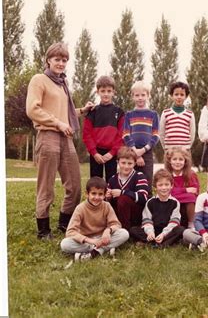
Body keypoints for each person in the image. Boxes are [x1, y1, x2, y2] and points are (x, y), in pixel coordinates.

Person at [26, 42, 94, 239]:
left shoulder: (62, 83)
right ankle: (43, 230)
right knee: (46, 186)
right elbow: (33, 109)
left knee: (74, 185)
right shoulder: (39, 80)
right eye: (57, 59)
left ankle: (65, 224)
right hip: (48, 136)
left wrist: (82, 111)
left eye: (64, 60)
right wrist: (57, 123)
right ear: (48, 60)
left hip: (66, 137)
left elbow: (65, 113)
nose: (61, 63)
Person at [60, 177, 129, 261]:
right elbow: (70, 232)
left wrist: (108, 231)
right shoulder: (80, 208)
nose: (97, 197)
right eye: (93, 193)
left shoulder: (106, 206)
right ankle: (102, 249)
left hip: (103, 238)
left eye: (100, 194)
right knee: (65, 244)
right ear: (87, 194)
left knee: (124, 233)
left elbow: (116, 224)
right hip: (87, 240)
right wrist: (89, 240)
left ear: (104, 195)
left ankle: (95, 251)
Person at [83, 75, 124, 182]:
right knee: (96, 182)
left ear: (114, 92)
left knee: (112, 182)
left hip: (112, 153)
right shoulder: (92, 112)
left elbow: (121, 135)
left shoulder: (119, 112)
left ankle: (110, 199)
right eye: (103, 91)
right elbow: (86, 134)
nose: (106, 94)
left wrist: (112, 153)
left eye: (109, 91)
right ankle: (96, 199)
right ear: (98, 92)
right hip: (96, 153)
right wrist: (94, 153)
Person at [129, 169, 185, 248]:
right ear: (155, 186)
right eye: (160, 185)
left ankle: (156, 244)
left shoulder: (175, 203)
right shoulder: (150, 202)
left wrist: (163, 234)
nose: (164, 188)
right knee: (133, 230)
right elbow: (147, 220)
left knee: (180, 229)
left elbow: (174, 223)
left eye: (166, 184)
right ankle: (160, 243)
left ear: (171, 185)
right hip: (153, 230)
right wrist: (150, 233)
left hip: (167, 231)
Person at [122, 80, 159, 191]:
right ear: (132, 97)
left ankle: (147, 205)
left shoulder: (153, 114)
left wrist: (143, 150)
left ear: (148, 96)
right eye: (137, 95)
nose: (140, 98)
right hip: (132, 153)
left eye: (143, 95)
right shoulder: (129, 115)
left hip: (147, 153)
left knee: (147, 182)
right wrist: (136, 153)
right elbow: (125, 135)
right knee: (131, 181)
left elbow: (156, 135)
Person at [106, 147, 149, 230]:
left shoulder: (139, 176)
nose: (126, 166)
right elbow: (108, 200)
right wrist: (107, 197)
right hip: (118, 214)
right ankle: (112, 226)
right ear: (118, 162)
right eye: (123, 163)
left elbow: (143, 198)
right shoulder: (113, 179)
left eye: (129, 163)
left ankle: (126, 230)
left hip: (135, 214)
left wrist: (122, 192)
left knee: (123, 199)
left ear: (135, 163)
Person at [164, 147, 200, 229]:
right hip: (170, 204)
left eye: (180, 159)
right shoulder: (166, 175)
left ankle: (191, 224)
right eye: (174, 159)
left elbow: (195, 191)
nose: (177, 162)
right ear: (170, 161)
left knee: (191, 197)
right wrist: (185, 190)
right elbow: (166, 192)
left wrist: (176, 193)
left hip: (187, 206)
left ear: (185, 161)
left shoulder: (191, 174)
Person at [159, 81, 195, 150]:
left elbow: (192, 134)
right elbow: (161, 133)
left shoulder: (190, 114)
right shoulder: (165, 113)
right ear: (171, 96)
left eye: (182, 95)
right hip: (169, 150)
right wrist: (165, 148)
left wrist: (187, 147)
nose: (179, 97)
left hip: (185, 150)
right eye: (176, 94)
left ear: (186, 96)